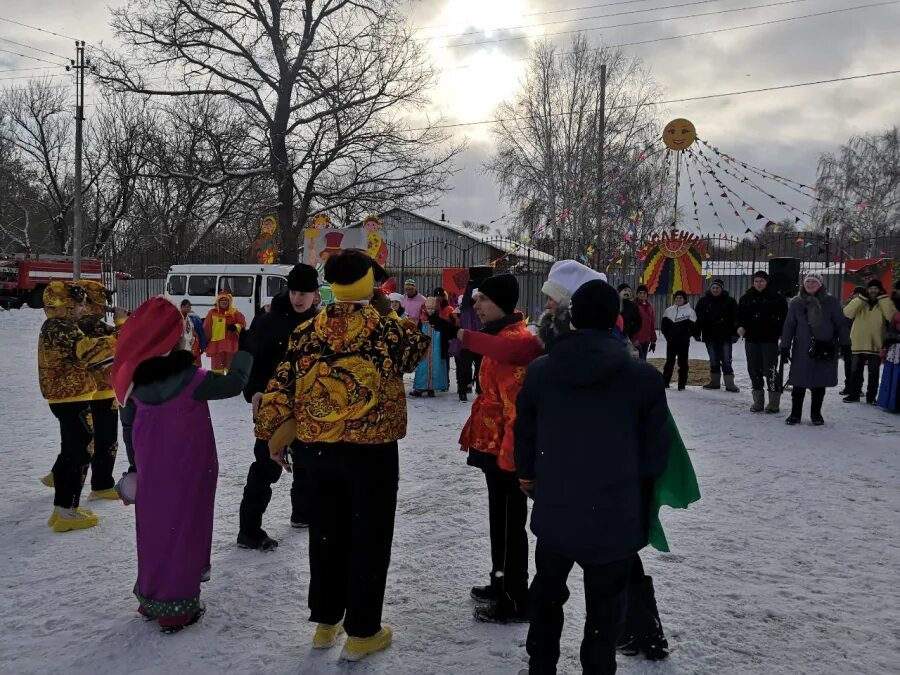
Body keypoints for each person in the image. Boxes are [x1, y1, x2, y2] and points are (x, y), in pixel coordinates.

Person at [255, 250, 429, 662]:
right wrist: (385, 310)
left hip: (317, 448)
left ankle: (326, 620)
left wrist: (272, 439)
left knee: (326, 533)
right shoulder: (387, 330)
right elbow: (417, 350)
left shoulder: (308, 329)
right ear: (371, 283)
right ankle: (363, 631)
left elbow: (281, 383)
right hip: (371, 451)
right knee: (369, 535)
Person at [514, 279, 670, 675]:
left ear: (571, 320)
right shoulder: (643, 379)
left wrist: (529, 477)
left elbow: (526, 433)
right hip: (615, 511)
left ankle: (541, 666)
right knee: (606, 606)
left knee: (548, 594)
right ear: (617, 320)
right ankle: (598, 669)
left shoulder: (541, 372)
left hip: (556, 505)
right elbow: (655, 455)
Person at [112, 296, 252, 633]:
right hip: (190, 469)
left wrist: (135, 467)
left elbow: (129, 428)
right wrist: (245, 351)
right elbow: (234, 383)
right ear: (172, 340)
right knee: (185, 530)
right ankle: (176, 608)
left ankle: (150, 597)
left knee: (154, 531)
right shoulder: (191, 379)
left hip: (151, 473)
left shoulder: (133, 384)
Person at [458, 274, 542, 624]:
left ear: (501, 303)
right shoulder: (500, 336)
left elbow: (516, 411)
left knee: (510, 524)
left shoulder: (516, 341)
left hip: (507, 451)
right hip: (493, 445)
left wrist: (512, 459)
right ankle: (500, 582)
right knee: (500, 520)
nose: (475, 305)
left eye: (482, 300)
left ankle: (515, 598)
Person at [237, 264, 320, 551]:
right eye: (294, 291)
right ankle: (248, 529)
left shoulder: (319, 324)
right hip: (272, 404)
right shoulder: (269, 320)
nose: (298, 298)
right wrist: (255, 391)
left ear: (315, 294)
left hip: (307, 407)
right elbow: (252, 358)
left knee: (308, 464)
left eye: (304, 293)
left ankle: (302, 512)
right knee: (265, 466)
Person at [39, 282, 117, 532]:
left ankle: (62, 507)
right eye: (79, 303)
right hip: (69, 397)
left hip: (70, 396)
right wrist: (120, 335)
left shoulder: (58, 325)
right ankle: (66, 512)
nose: (84, 308)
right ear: (67, 304)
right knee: (80, 452)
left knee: (72, 450)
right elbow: (88, 351)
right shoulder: (60, 326)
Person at [72, 280, 130, 500]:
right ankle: (101, 485)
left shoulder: (88, 324)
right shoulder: (86, 325)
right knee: (104, 440)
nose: (105, 305)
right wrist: (122, 322)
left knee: (90, 439)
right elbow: (118, 343)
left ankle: (64, 472)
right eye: (102, 300)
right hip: (97, 391)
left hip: (99, 389)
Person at [779, 273, 851, 426]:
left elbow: (840, 325)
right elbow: (789, 325)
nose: (810, 284)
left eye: (813, 281)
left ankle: (816, 413)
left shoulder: (831, 301)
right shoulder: (796, 302)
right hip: (802, 349)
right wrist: (784, 346)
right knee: (799, 382)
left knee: (819, 382)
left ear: (820, 284)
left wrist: (845, 344)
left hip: (824, 348)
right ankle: (795, 414)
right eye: (807, 281)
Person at [736, 271, 789, 413]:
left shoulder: (777, 298)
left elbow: (784, 319)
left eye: (762, 281)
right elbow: (739, 316)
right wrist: (740, 326)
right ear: (753, 282)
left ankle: (773, 403)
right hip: (752, 340)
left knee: (770, 370)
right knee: (754, 369)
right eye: (756, 281)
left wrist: (781, 335)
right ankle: (758, 402)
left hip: (769, 340)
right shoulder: (746, 298)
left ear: (767, 282)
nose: (759, 284)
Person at [842, 279, 896, 404]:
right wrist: (861, 299)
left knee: (874, 372)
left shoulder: (884, 302)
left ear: (880, 290)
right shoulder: (860, 301)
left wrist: (883, 299)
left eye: (876, 288)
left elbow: (891, 317)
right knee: (855, 370)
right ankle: (854, 394)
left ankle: (871, 397)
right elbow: (847, 313)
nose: (873, 291)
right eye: (871, 288)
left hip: (876, 342)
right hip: (858, 341)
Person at [694, 278, 740, 392]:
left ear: (722, 288)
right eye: (713, 287)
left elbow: (736, 318)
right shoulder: (703, 301)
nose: (715, 290)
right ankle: (714, 382)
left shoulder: (730, 301)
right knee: (713, 360)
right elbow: (698, 319)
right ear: (710, 289)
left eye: (717, 288)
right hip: (709, 335)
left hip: (726, 335)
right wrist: (696, 332)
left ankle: (729, 384)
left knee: (726, 360)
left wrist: (735, 334)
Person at [411, 299, 450, 397]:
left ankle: (431, 388)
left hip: (436, 347)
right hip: (424, 348)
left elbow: (445, 334)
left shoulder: (439, 320)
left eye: (432, 308)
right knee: (422, 367)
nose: (430, 310)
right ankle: (420, 387)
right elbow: (417, 332)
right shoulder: (422, 320)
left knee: (435, 366)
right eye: (428, 308)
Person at [453, 280, 484, 401]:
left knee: (480, 368)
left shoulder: (482, 308)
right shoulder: (465, 308)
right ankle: (462, 390)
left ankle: (480, 389)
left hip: (480, 342)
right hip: (466, 343)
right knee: (464, 368)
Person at [660, 291, 696, 391]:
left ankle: (682, 384)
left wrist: (685, 337)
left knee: (683, 363)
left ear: (684, 299)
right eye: (676, 298)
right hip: (671, 342)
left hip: (683, 343)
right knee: (669, 362)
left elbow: (692, 328)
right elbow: (664, 327)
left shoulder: (690, 312)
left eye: (680, 298)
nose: (678, 300)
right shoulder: (668, 311)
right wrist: (668, 337)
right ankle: (665, 382)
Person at [203, 292, 246, 373]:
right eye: (222, 300)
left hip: (231, 345)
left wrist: (236, 326)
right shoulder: (212, 313)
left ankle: (229, 384)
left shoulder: (235, 313)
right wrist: (205, 341)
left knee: (231, 368)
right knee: (216, 369)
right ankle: (217, 384)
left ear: (229, 302)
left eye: (226, 300)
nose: (224, 301)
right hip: (216, 345)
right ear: (218, 301)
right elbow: (207, 328)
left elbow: (243, 324)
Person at [876, 283, 900, 412]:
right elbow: (890, 325)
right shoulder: (893, 304)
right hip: (896, 346)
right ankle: (892, 403)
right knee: (894, 374)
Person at [839, 288, 864, 395]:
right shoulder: (847, 306)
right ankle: (848, 386)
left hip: (859, 340)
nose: (857, 297)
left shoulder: (864, 307)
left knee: (858, 365)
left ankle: (857, 388)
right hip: (847, 340)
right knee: (848, 365)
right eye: (856, 294)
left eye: (860, 295)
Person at [633, 285, 657, 361]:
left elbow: (652, 324)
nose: (642, 295)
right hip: (636, 340)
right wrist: (633, 339)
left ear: (647, 295)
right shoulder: (633, 306)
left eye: (644, 293)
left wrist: (653, 340)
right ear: (637, 294)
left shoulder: (650, 307)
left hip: (646, 340)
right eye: (640, 293)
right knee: (638, 362)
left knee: (643, 361)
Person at [180, 300, 207, 367]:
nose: (187, 308)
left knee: (195, 363)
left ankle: (197, 376)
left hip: (194, 345)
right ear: (181, 307)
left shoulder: (195, 318)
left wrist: (203, 346)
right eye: (185, 307)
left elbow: (201, 332)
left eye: (188, 307)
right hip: (182, 345)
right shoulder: (177, 317)